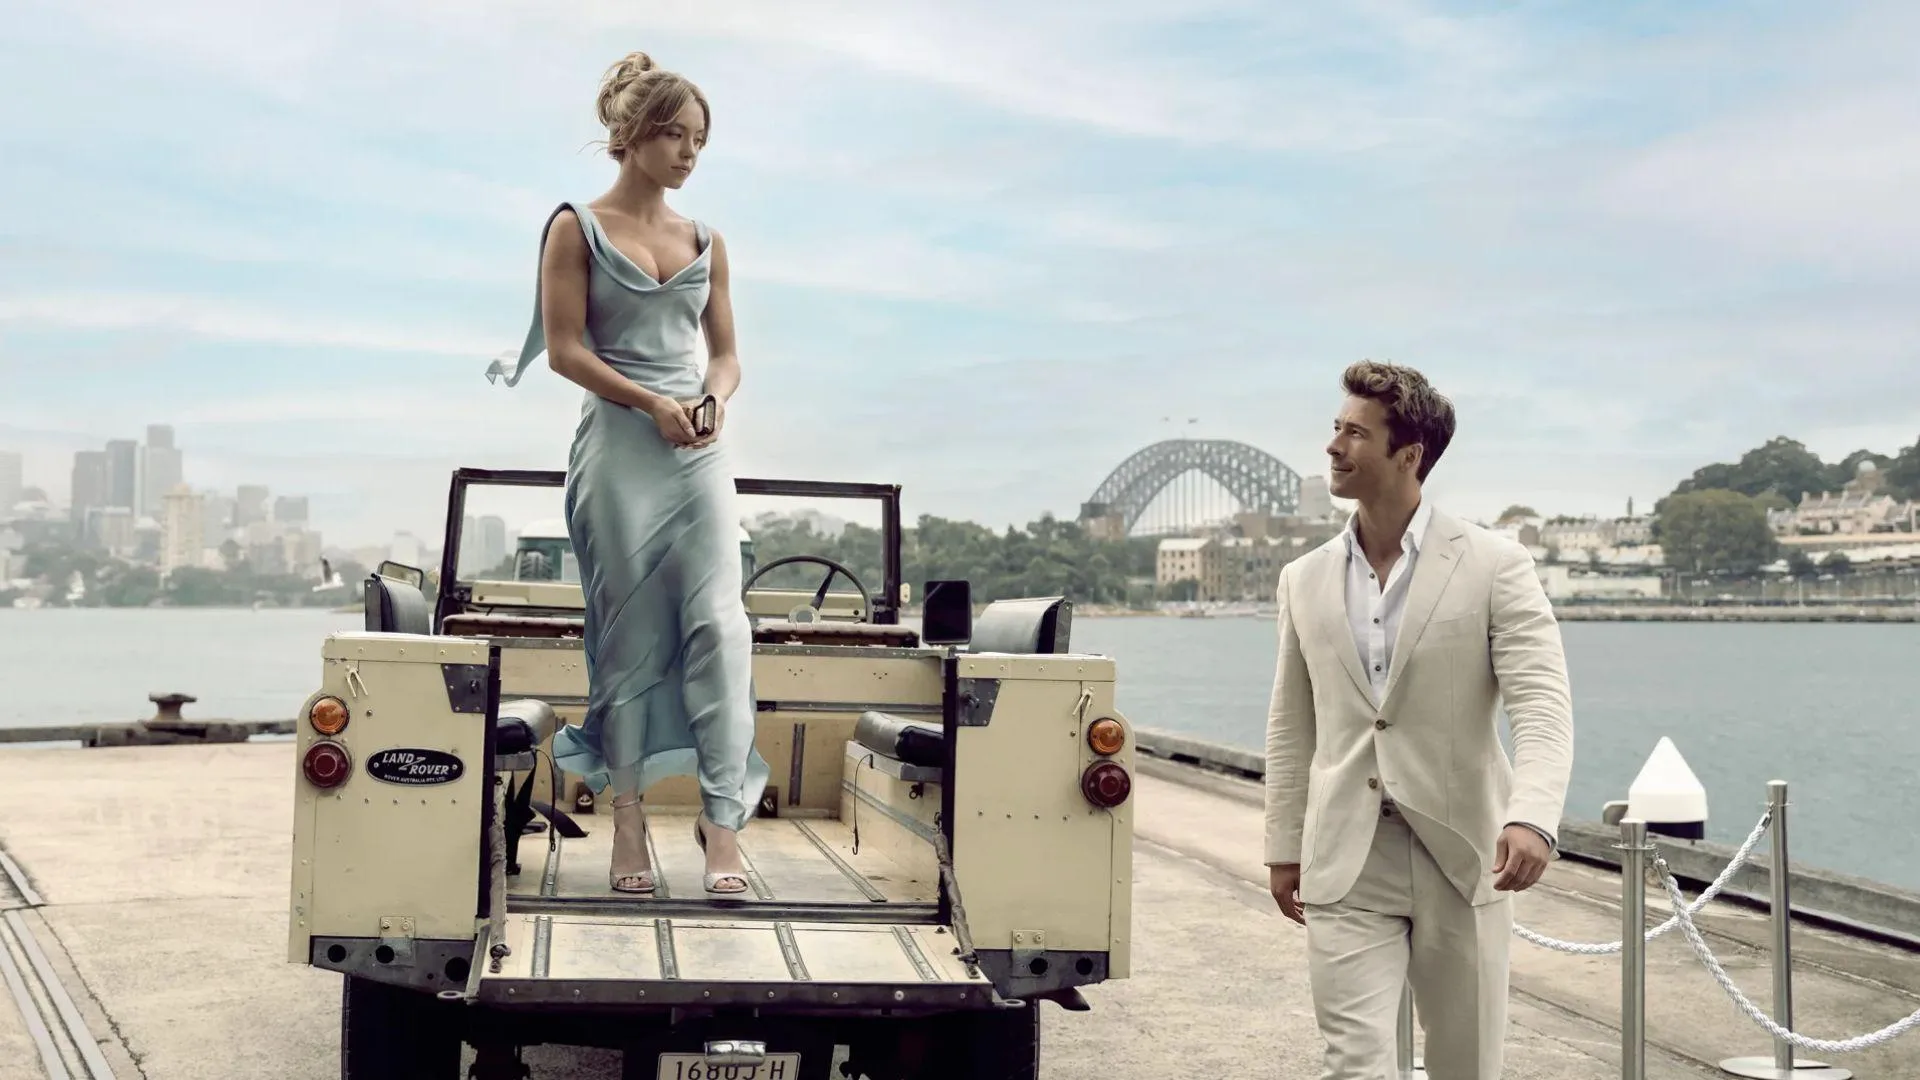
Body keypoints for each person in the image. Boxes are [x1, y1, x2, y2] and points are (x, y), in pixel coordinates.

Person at [486, 50, 769, 895]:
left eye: (699, 139)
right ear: (633, 137)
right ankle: (631, 819)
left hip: (698, 453)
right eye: (676, 135)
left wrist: (710, 402)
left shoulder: (706, 240)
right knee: (630, 641)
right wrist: (651, 404)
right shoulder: (576, 226)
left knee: (721, 627)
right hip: (619, 452)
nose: (690, 153)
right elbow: (566, 351)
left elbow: (725, 356)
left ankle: (724, 827)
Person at [1263, 361, 1574, 1079]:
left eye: (1355, 434)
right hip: (1345, 858)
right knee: (1356, 1065)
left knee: (1465, 1065)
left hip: (1464, 854)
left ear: (1410, 456)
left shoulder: (1496, 564)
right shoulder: (1302, 578)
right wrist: (1283, 843)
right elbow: (1291, 724)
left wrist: (1532, 816)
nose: (1334, 447)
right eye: (1335, 428)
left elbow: (1542, 703)